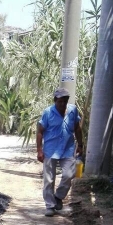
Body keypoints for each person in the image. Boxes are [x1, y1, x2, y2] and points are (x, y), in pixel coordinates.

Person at [36, 87, 83, 217]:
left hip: (67, 148)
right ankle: (50, 206)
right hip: (50, 150)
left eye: (65, 101)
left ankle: (58, 197)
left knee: (69, 174)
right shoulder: (48, 112)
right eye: (60, 101)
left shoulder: (73, 110)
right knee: (49, 179)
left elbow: (77, 128)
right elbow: (40, 132)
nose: (62, 104)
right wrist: (39, 150)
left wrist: (80, 145)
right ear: (55, 100)